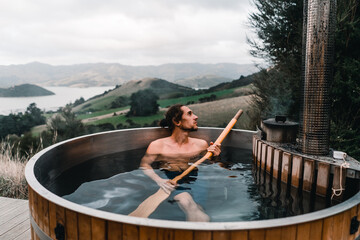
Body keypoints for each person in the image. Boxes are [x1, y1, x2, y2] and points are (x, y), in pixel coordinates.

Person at [140, 104, 221, 221]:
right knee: (188, 204)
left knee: (199, 208)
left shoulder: (201, 144)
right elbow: (144, 165)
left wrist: (216, 157)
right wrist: (159, 180)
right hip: (170, 178)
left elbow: (212, 165)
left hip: (195, 178)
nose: (196, 117)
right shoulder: (158, 145)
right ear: (177, 121)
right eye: (190, 114)